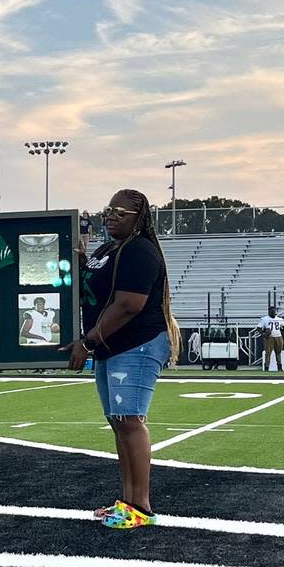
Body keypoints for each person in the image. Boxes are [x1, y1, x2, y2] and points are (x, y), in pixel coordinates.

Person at [62, 188, 180, 531]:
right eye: (108, 210)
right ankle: (127, 500)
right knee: (118, 420)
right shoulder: (109, 248)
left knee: (129, 419)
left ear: (138, 217)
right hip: (112, 346)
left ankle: (140, 505)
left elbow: (129, 304)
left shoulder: (139, 250)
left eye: (119, 212)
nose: (111, 216)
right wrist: (84, 262)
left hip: (137, 342)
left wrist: (87, 341)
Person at [257, 306, 284, 372]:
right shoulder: (265, 319)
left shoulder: (279, 319)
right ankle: (266, 367)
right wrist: (263, 334)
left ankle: (279, 367)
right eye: (271, 311)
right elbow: (259, 328)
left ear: (275, 312)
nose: (273, 312)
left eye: (273, 311)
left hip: (278, 336)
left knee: (278, 353)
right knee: (268, 353)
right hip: (269, 338)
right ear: (269, 312)